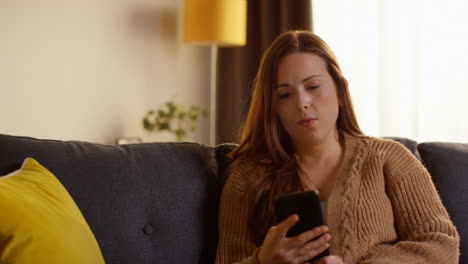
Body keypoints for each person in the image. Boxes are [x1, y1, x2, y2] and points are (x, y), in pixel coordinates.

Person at [214, 30, 460, 264]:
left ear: (340, 92)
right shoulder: (246, 177)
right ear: (273, 107)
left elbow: (441, 245)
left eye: (313, 87)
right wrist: (262, 261)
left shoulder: (389, 158)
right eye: (285, 95)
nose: (302, 103)